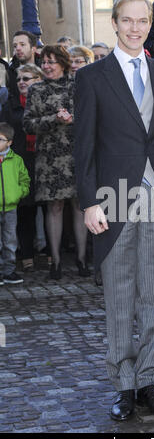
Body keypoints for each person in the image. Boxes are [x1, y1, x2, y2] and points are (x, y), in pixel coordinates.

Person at [74, 0, 154, 421]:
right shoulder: (92, 77)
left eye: (142, 22)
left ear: (151, 26)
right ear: (114, 24)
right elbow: (83, 147)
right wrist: (89, 202)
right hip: (112, 202)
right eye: (127, 21)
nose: (136, 28)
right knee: (119, 297)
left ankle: (149, 380)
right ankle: (124, 385)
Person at [23, 45, 90, 280]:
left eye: (51, 62)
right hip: (49, 158)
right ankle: (56, 262)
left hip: (78, 154)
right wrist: (54, 119)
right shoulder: (37, 90)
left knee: (80, 205)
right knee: (54, 207)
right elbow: (28, 124)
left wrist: (73, 119)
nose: (47, 66)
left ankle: (82, 260)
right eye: (44, 62)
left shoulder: (79, 85)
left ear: (63, 63)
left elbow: (94, 116)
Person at [2, 63, 50, 272]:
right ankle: (27, 255)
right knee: (24, 210)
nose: (22, 82)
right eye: (19, 79)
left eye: (27, 78)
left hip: (45, 159)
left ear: (38, 79)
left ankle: (50, 253)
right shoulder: (9, 104)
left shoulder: (47, 100)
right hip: (20, 161)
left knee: (49, 208)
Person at [0, 122, 30, 284]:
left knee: (10, 240)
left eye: (0, 139)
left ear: (9, 142)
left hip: (11, 207)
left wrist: (19, 193)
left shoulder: (16, 160)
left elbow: (25, 180)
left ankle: (9, 271)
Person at [8, 30, 40, 98]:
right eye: (15, 46)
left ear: (33, 49)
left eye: (22, 44)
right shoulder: (9, 72)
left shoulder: (45, 68)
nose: (18, 48)